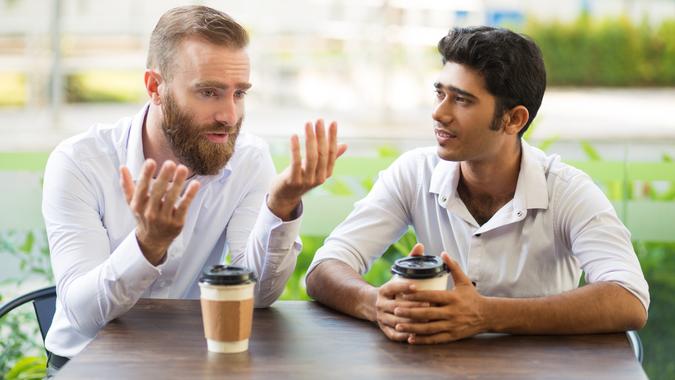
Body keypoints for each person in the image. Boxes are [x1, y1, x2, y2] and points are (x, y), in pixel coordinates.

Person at [42, 5, 346, 374]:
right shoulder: (79, 162)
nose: (229, 116)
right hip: (89, 365)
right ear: (155, 87)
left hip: (193, 364)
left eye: (239, 94)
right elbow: (83, 315)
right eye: (209, 92)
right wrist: (147, 245)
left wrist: (281, 205)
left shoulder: (248, 159)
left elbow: (259, 297)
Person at [305, 26, 649, 345]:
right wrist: (375, 303)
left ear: (513, 119)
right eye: (439, 93)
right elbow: (325, 268)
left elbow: (629, 299)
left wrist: (485, 314)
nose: (439, 113)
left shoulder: (567, 191)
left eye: (461, 100)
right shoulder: (414, 172)